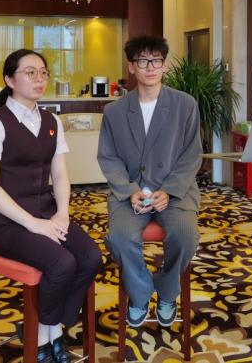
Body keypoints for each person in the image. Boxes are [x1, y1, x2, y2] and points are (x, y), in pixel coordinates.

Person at [0, 49, 102, 363]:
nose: (39, 78)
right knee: (62, 263)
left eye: (43, 72)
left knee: (90, 257)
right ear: (9, 80)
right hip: (4, 223)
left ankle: (49, 326)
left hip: (47, 213)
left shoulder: (51, 121)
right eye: (30, 72)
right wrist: (33, 224)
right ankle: (47, 336)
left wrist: (62, 213)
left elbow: (60, 174)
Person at [97, 35, 202, 328]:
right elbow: (108, 157)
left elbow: (192, 154)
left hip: (175, 192)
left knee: (185, 235)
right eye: (142, 61)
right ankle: (141, 292)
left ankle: (167, 291)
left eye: (156, 60)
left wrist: (169, 190)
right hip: (130, 193)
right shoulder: (114, 111)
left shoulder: (185, 105)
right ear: (131, 67)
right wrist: (129, 191)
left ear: (164, 65)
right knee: (119, 237)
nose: (150, 67)